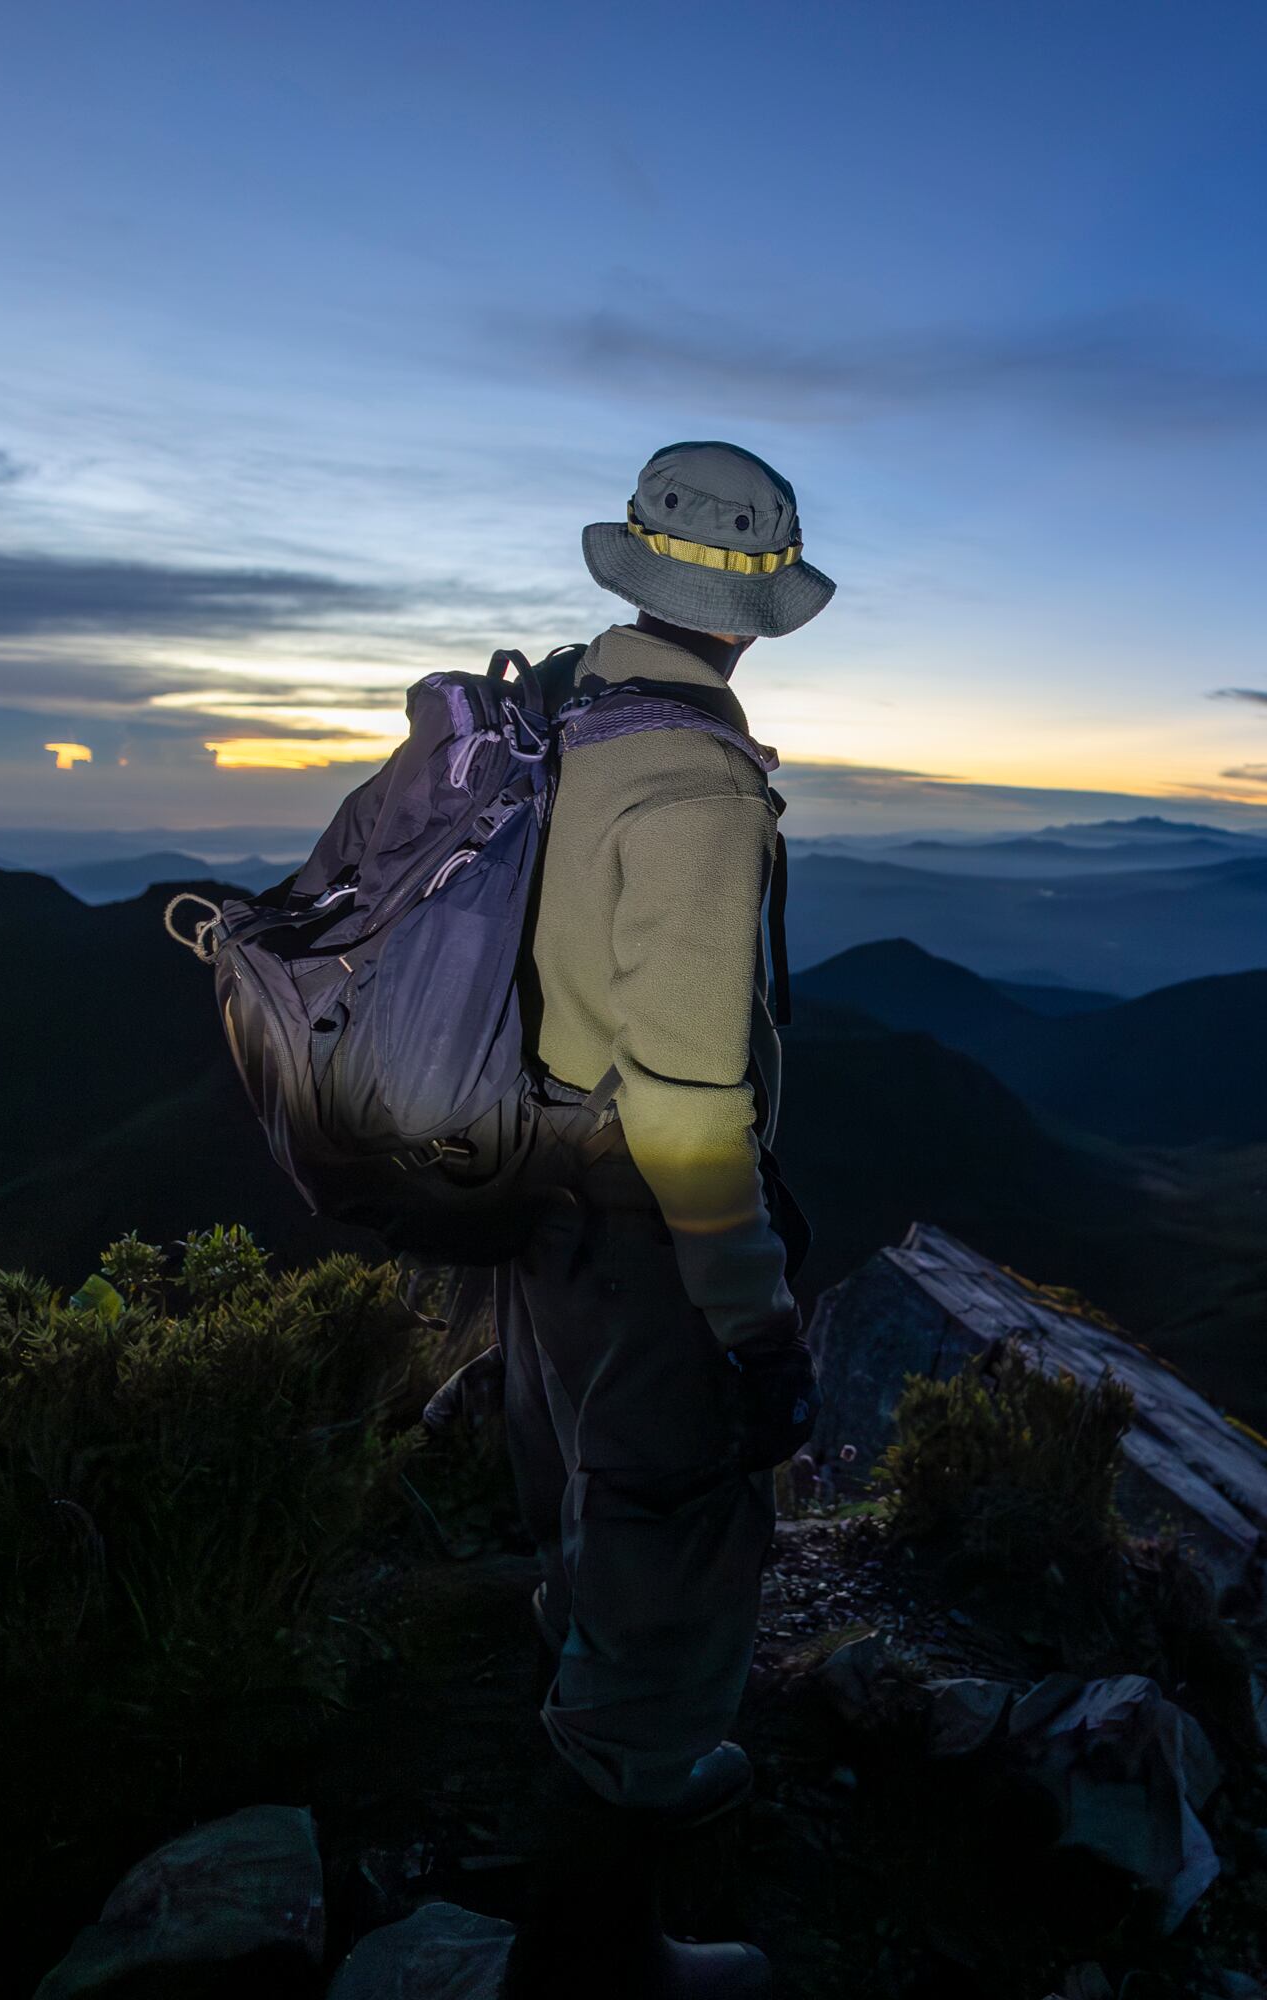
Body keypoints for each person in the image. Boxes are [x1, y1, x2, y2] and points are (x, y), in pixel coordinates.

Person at [495, 441, 831, 1998]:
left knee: (578, 1475)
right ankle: (597, 1960)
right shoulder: (694, 785)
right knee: (672, 1524)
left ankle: (617, 1743)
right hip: (643, 1215)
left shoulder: (569, 712)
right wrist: (752, 1313)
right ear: (753, 611)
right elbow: (694, 1096)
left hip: (540, 1175)